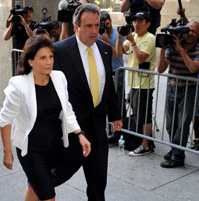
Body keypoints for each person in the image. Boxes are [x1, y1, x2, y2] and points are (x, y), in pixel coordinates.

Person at [0, 35, 91, 201]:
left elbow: (67, 110)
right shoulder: (18, 86)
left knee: (35, 187)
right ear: (30, 61)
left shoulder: (59, 78)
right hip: (31, 149)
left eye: (51, 56)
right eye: (43, 58)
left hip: (54, 145)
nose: (49, 62)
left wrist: (80, 134)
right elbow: (5, 119)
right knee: (48, 195)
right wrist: (7, 152)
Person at [52, 4, 122, 201]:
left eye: (97, 25)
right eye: (88, 26)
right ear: (76, 27)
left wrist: (115, 115)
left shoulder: (106, 50)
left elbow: (109, 87)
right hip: (72, 132)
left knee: (98, 184)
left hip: (99, 131)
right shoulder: (60, 51)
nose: (94, 31)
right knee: (52, 178)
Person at [157, 21, 199, 167]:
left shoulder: (197, 48)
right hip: (172, 89)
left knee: (183, 125)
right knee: (170, 124)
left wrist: (181, 50)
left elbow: (193, 68)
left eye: (194, 31)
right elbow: (161, 69)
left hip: (189, 91)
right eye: (188, 30)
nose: (190, 33)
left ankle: (178, 156)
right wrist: (163, 48)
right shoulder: (173, 45)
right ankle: (175, 149)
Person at [117, 11, 156, 156]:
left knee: (144, 115)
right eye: (134, 22)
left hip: (145, 84)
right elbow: (119, 52)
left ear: (148, 24)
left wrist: (132, 41)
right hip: (134, 83)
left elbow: (141, 58)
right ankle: (145, 141)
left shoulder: (150, 38)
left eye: (140, 21)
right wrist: (120, 37)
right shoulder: (132, 36)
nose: (136, 24)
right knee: (138, 114)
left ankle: (145, 145)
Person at [98, 11, 126, 142]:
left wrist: (107, 41)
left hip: (117, 72)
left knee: (118, 102)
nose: (106, 27)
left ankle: (119, 131)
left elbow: (117, 54)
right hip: (103, 72)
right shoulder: (97, 34)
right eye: (103, 25)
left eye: (108, 24)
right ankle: (109, 129)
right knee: (104, 103)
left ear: (111, 22)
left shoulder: (117, 34)